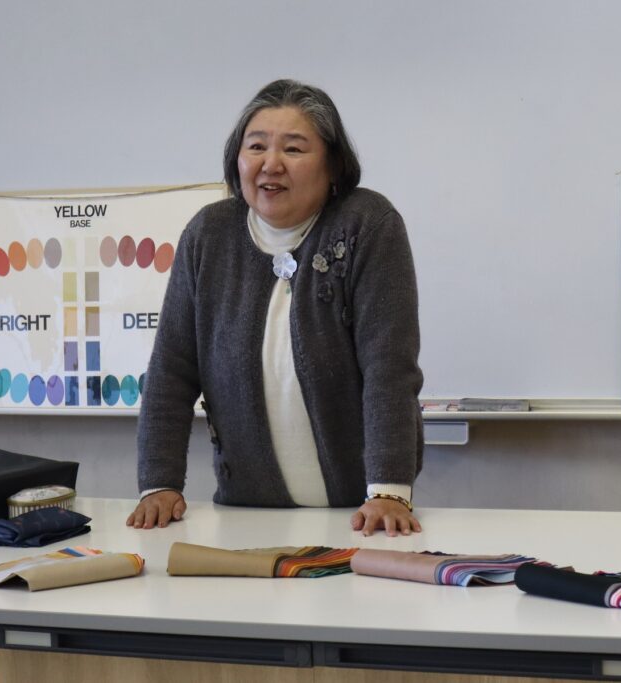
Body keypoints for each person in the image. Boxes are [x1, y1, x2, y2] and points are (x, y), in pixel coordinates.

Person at [126, 79, 424, 536]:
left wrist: (388, 491)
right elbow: (171, 369)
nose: (271, 164)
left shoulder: (367, 224)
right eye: (256, 146)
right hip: (245, 513)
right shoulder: (209, 234)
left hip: (358, 514)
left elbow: (389, 368)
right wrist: (159, 484)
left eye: (294, 149)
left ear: (333, 164)